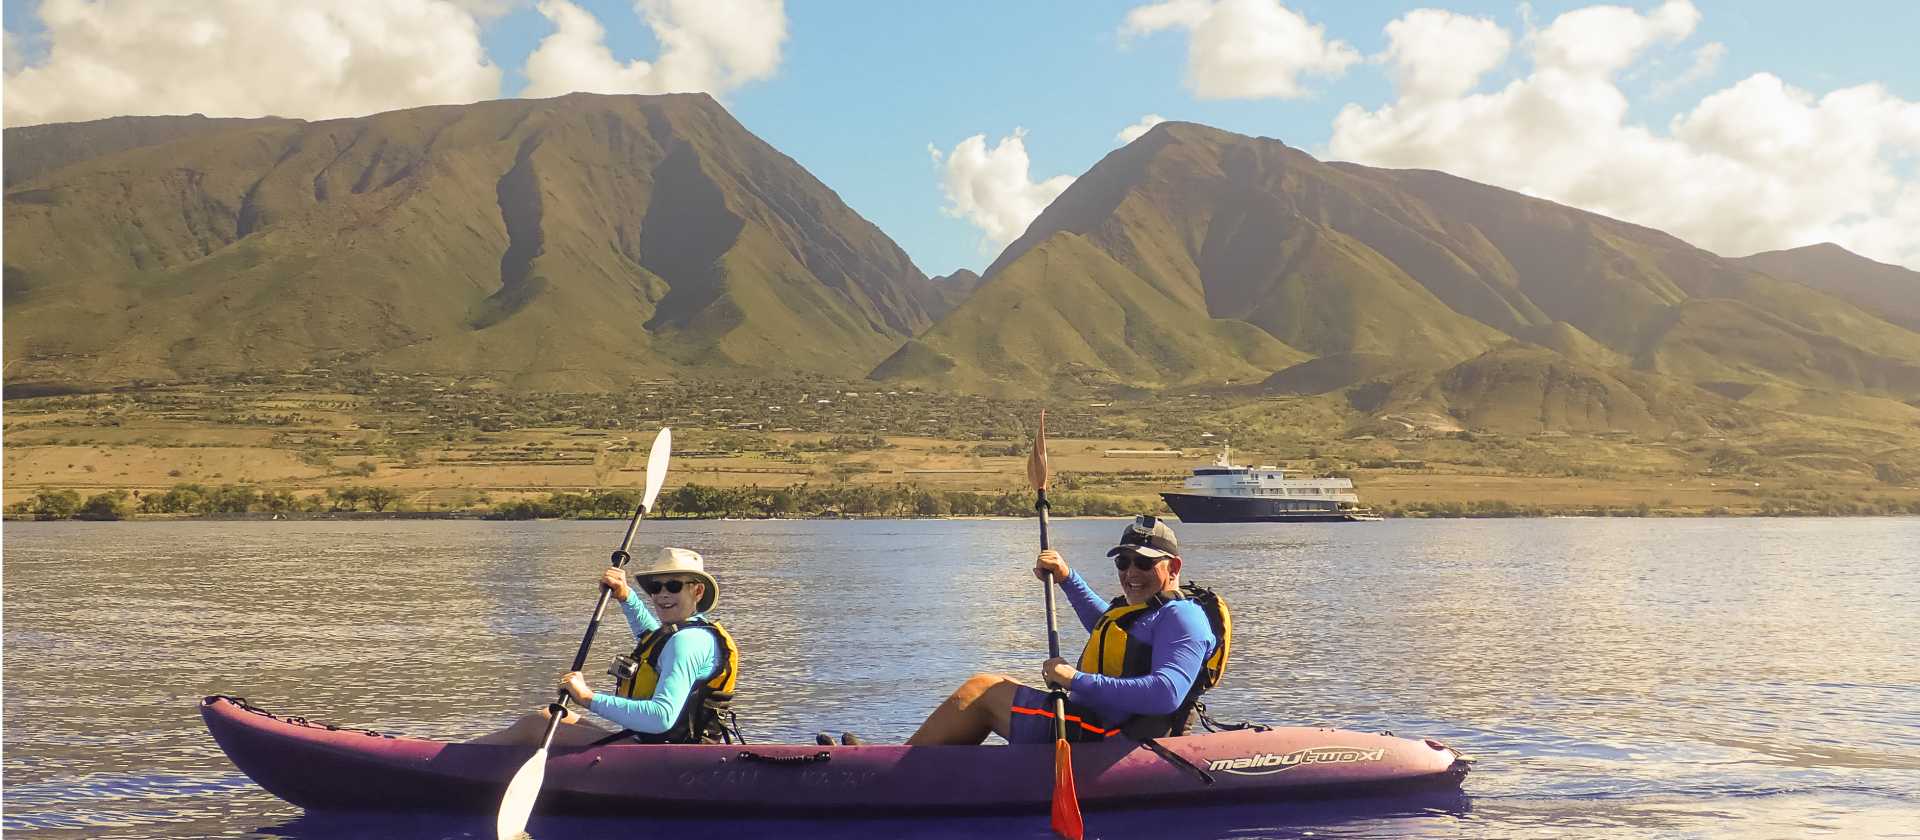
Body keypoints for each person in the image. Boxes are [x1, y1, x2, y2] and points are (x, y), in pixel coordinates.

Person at [906, 516, 1218, 746]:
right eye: (1124, 562)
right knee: (999, 684)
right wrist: (1066, 577)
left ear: (1174, 567)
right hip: (1089, 722)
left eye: (1144, 563)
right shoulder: (1148, 612)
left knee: (982, 691)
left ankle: (891, 770)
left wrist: (1074, 678)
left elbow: (1166, 694)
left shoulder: (1183, 618)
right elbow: (1107, 627)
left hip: (1108, 737)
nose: (1131, 572)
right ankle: (914, 765)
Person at [471, 547, 739, 747]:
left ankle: (442, 760)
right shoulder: (687, 633)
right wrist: (625, 596)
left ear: (698, 592)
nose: (662, 594)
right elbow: (651, 637)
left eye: (673, 585)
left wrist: (587, 698)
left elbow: (661, 718)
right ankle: (449, 756)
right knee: (549, 717)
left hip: (663, 755)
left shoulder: (687, 642)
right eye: (655, 587)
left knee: (535, 726)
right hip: (656, 746)